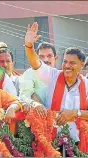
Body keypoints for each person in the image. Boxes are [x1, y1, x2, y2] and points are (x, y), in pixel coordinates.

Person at [24, 22, 88, 153]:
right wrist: (29, 46)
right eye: (65, 61)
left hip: (79, 141)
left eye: (72, 63)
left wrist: (75, 113)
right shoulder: (53, 75)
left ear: (82, 65)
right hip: (52, 138)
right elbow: (35, 63)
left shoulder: (86, 84)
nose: (67, 66)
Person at [19, 42, 58, 116]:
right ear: (36, 58)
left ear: (55, 58)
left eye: (49, 56)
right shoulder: (29, 74)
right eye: (41, 57)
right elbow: (24, 96)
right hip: (38, 119)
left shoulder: (60, 75)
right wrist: (34, 103)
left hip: (59, 119)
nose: (45, 60)